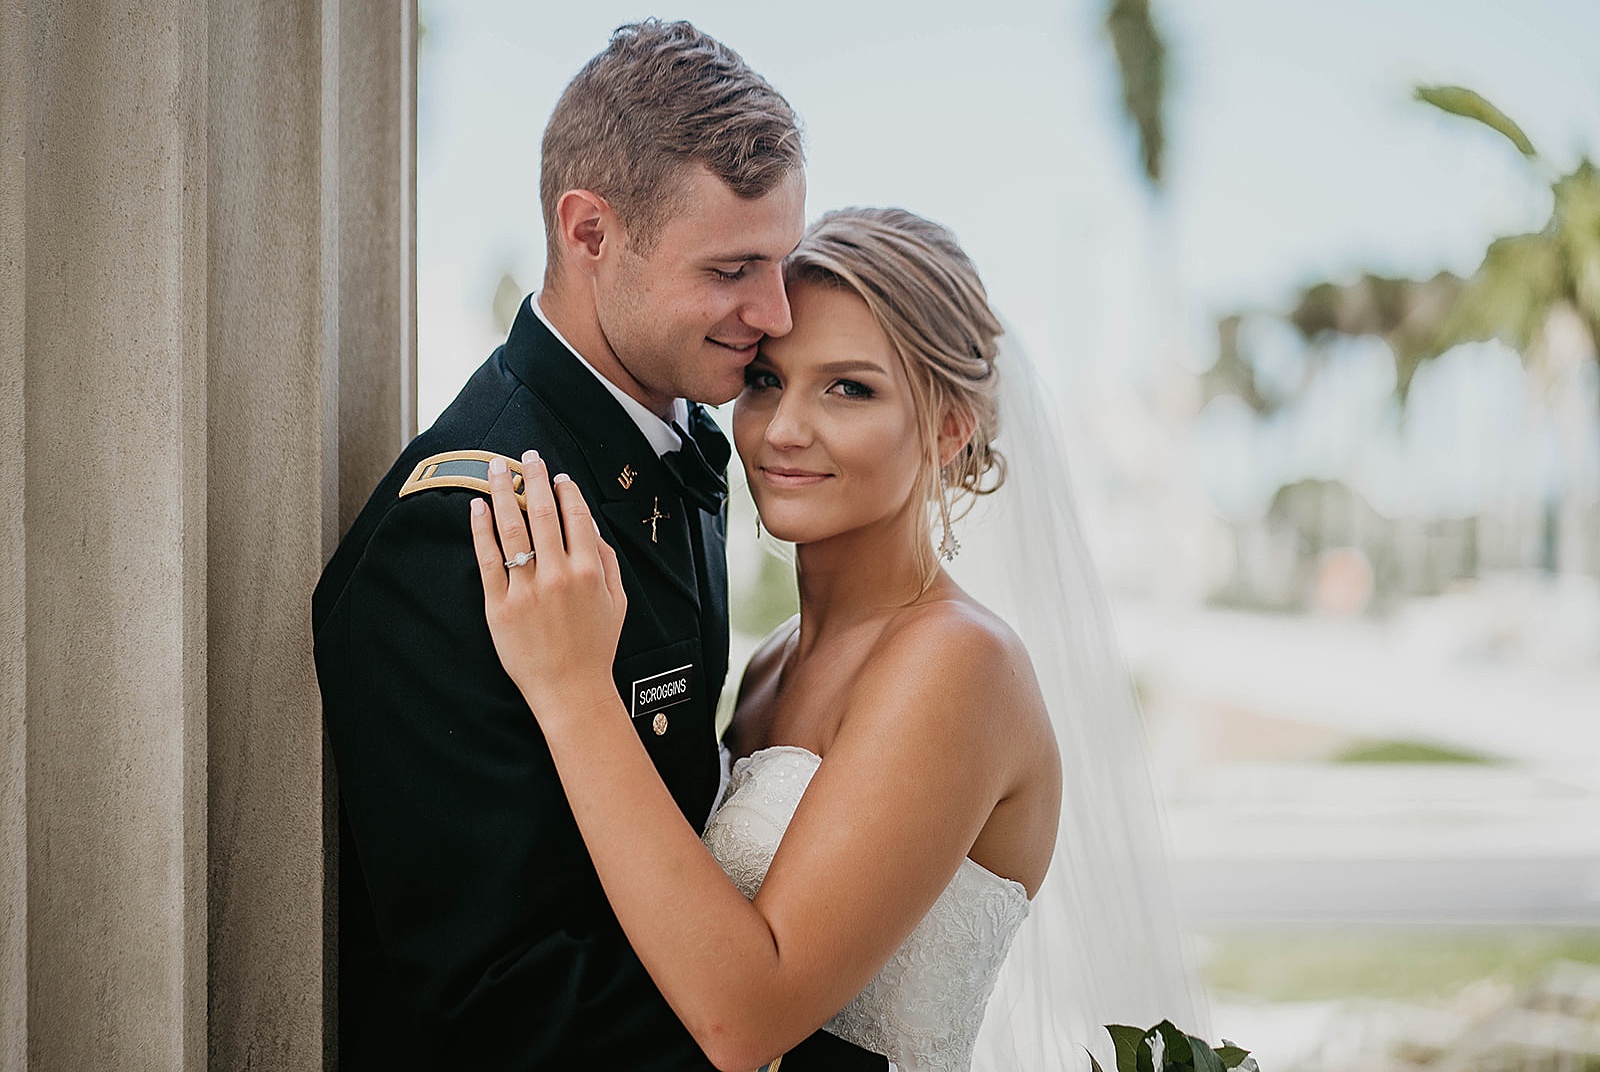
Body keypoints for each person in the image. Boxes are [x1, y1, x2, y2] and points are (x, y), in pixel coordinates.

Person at [312, 21, 888, 1071]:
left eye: (781, 261)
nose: (772, 310)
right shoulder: (461, 526)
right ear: (589, 233)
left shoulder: (686, 448)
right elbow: (503, 992)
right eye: (730, 268)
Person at [470, 208, 1078, 1072]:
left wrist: (570, 689)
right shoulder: (769, 665)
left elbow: (746, 1017)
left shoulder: (959, 662)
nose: (785, 429)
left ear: (949, 429)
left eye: (850, 388)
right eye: (766, 381)